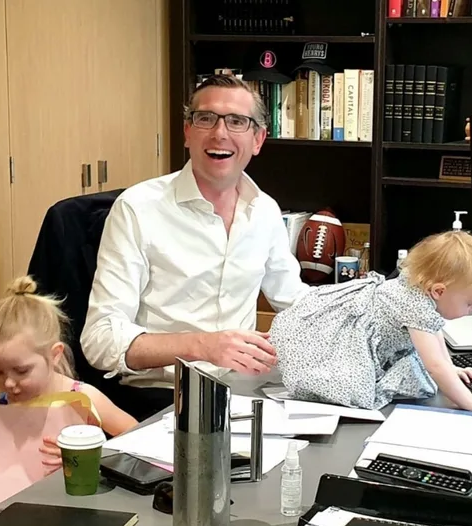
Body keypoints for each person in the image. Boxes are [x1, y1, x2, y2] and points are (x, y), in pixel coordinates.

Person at [80, 74, 309, 421]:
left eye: (237, 121)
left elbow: (296, 302)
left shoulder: (265, 210)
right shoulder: (138, 209)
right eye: (206, 118)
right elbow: (100, 339)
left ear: (258, 139)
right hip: (161, 400)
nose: (220, 133)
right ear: (188, 132)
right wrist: (203, 346)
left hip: (240, 394)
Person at [270, 230, 472, 412]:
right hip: (339, 348)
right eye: (470, 303)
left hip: (354, 335)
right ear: (438, 291)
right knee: (349, 387)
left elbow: (435, 336)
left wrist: (452, 369)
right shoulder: (415, 305)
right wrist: (470, 401)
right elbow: (434, 365)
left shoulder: (418, 287)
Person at [0, 276, 138, 502]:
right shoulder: (3, 405)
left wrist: (91, 457)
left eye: (21, 371)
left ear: (55, 355)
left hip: (80, 506)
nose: (8, 383)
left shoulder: (82, 398)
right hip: (23, 511)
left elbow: (135, 436)